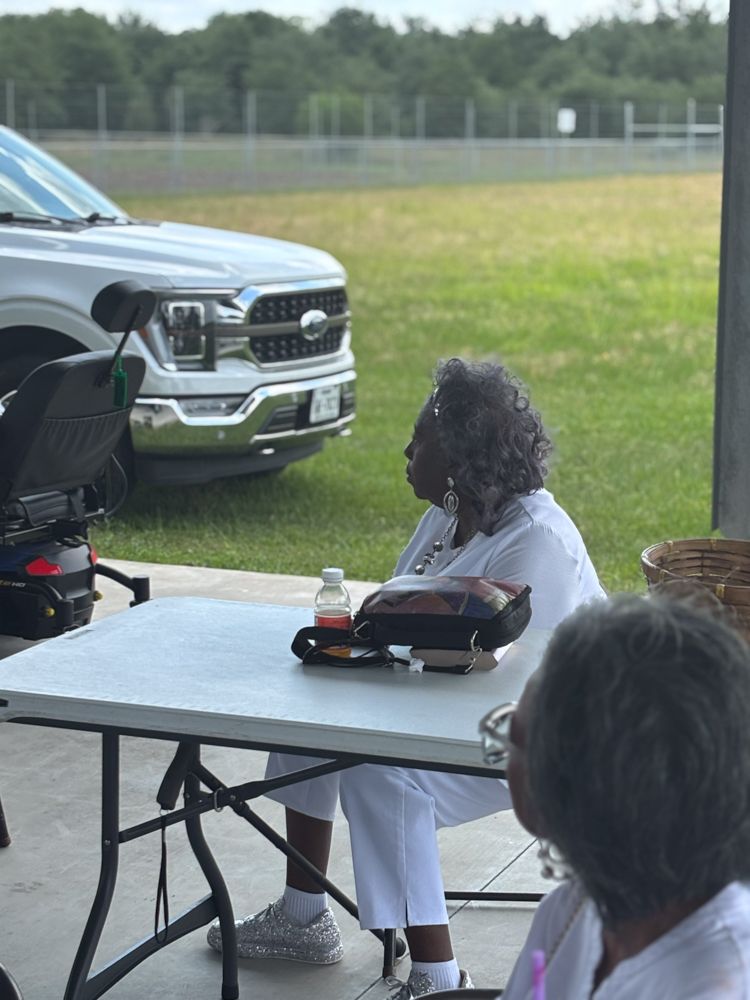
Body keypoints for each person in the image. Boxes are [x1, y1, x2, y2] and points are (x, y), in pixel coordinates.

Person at [208, 357, 605, 997]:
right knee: (313, 724)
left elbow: (502, 681)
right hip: (461, 708)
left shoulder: (537, 543)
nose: (405, 449)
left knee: (378, 768)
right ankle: (303, 917)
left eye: (418, 440)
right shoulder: (449, 517)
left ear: (456, 462)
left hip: (544, 738)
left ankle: (437, 977)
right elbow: (408, 621)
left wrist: (384, 681)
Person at [481, 593, 750, 999]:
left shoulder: (719, 984)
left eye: (516, 738)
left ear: (584, 791)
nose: (507, 757)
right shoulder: (572, 911)